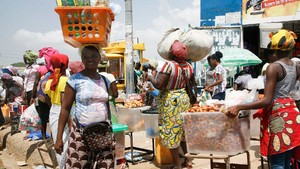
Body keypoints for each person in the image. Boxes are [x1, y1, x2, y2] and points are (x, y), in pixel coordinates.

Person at [227, 29, 300, 168]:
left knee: (277, 162)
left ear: (273, 47)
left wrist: (239, 106)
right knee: (286, 159)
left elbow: (267, 100)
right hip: (293, 112)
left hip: (279, 116)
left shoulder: (274, 67)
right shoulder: (296, 66)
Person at [54, 44, 114, 168]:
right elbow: (65, 108)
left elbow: (107, 105)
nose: (90, 59)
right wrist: (59, 138)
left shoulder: (105, 80)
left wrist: (111, 127)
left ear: (99, 57)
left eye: (93, 56)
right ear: (82, 59)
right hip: (80, 134)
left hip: (103, 133)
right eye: (85, 56)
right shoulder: (74, 80)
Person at [147, 40, 194, 169]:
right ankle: (188, 161)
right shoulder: (189, 66)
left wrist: (150, 78)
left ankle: (177, 165)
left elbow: (159, 85)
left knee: (172, 132)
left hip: (171, 102)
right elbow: (192, 84)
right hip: (184, 99)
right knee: (183, 132)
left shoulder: (169, 66)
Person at [44, 53, 70, 169]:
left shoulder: (49, 81)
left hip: (54, 111)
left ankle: (61, 166)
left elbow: (47, 99)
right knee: (67, 141)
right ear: (66, 65)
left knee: (58, 141)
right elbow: (65, 104)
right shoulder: (66, 81)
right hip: (66, 112)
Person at [31, 47, 60, 139]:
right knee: (53, 116)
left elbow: (36, 83)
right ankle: (52, 136)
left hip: (41, 96)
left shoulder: (41, 69)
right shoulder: (57, 71)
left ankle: (44, 137)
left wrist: (32, 96)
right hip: (52, 96)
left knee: (43, 118)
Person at [98, 55, 119, 124]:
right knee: (113, 125)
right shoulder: (110, 77)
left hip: (97, 107)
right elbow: (116, 94)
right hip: (109, 105)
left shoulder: (94, 76)